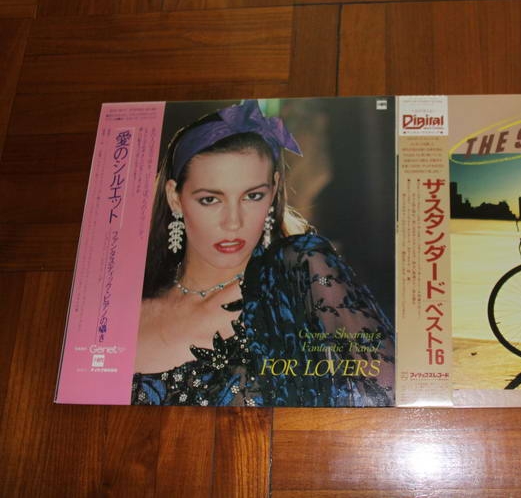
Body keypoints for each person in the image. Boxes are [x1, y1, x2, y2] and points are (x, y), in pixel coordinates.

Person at [132, 100, 394, 407]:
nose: (233, 222)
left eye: (253, 196)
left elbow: (389, 394)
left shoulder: (300, 273)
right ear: (175, 198)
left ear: (274, 190)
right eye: (210, 200)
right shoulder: (130, 310)